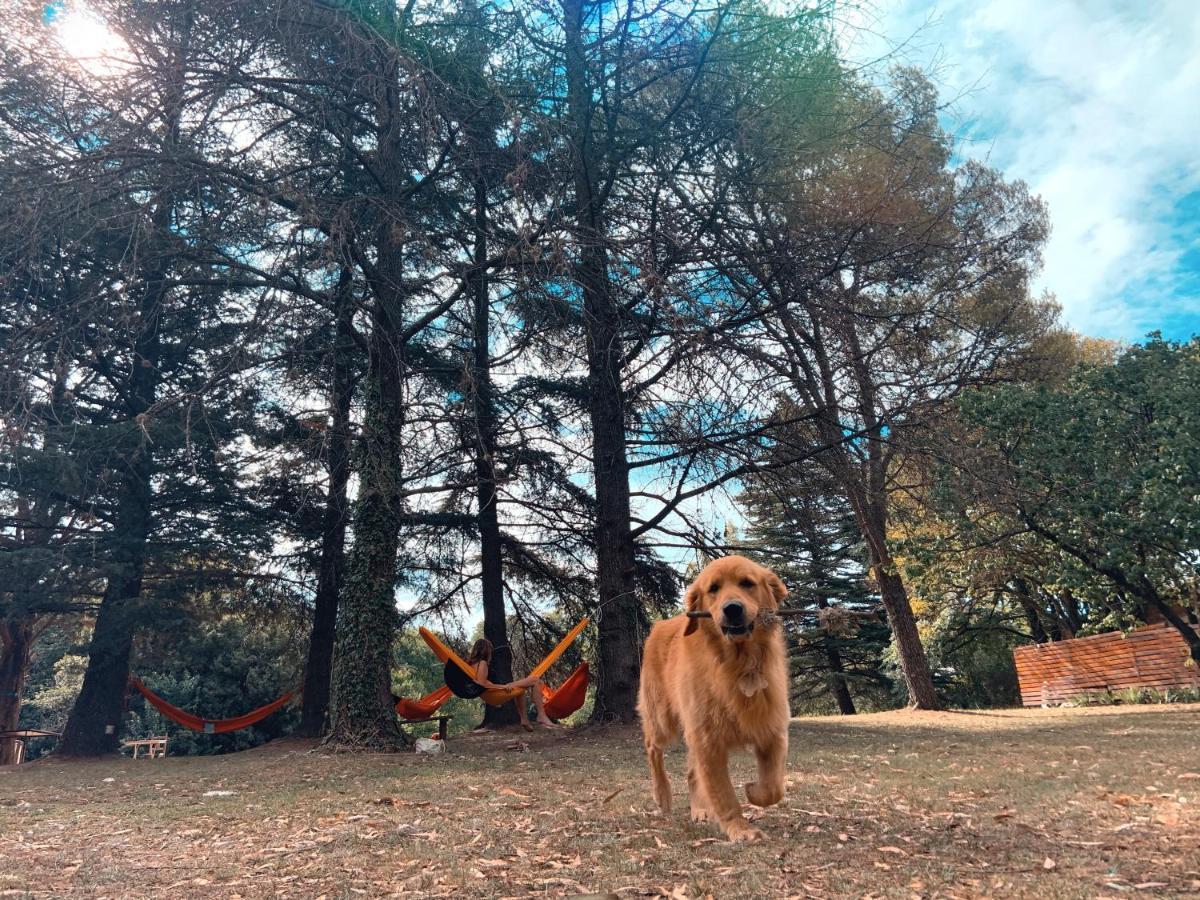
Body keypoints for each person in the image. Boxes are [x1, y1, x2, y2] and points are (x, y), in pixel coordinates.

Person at [466, 638, 557, 730]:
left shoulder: (471, 665)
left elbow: (481, 682)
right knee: (535, 680)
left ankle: (525, 720)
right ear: (486, 650)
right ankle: (541, 715)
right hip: (494, 693)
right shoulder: (482, 663)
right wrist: (502, 686)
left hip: (491, 693)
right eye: (490, 650)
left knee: (520, 690)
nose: (491, 653)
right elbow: (482, 685)